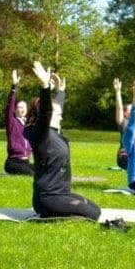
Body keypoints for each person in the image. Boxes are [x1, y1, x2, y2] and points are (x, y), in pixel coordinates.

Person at [25, 61, 100, 219]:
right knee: (91, 214)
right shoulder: (40, 135)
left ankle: (62, 213)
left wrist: (61, 92)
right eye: (57, 115)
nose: (61, 116)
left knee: (95, 209)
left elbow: (56, 108)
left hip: (62, 193)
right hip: (47, 197)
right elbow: (47, 111)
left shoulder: (56, 134)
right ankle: (50, 215)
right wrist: (45, 87)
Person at [4, 69, 33, 176]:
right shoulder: (12, 122)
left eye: (24, 107)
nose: (22, 109)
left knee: (41, 173)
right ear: (15, 110)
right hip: (13, 162)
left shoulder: (29, 124)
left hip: (26, 161)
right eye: (19, 107)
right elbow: (9, 107)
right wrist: (13, 87)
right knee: (33, 175)